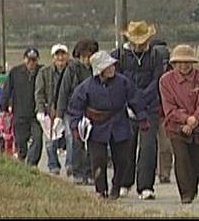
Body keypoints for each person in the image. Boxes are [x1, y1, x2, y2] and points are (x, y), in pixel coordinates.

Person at [68, 51, 149, 200]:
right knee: (98, 160)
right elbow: (75, 108)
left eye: (112, 65)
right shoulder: (85, 87)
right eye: (107, 66)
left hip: (120, 124)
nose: (111, 68)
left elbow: (135, 99)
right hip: (97, 127)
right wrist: (75, 127)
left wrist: (142, 118)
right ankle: (101, 190)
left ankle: (116, 186)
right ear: (99, 70)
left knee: (123, 160)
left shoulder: (123, 82)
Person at [111, 20, 165, 200]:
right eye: (136, 42)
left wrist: (141, 100)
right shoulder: (119, 56)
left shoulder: (156, 56)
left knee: (148, 146)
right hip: (124, 107)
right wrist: (130, 102)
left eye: (143, 42)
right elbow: (116, 81)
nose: (140, 45)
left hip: (149, 106)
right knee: (126, 147)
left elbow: (157, 80)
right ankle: (124, 182)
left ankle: (145, 186)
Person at [159, 44, 199, 204]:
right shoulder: (166, 80)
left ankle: (193, 187)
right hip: (176, 126)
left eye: (187, 62)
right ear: (174, 64)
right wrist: (185, 120)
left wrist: (195, 119)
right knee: (182, 159)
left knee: (198, 160)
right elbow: (169, 107)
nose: (184, 66)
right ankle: (185, 194)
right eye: (179, 62)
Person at [58, 39, 99, 185]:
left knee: (93, 142)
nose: (87, 60)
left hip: (93, 110)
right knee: (77, 141)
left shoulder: (98, 69)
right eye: (84, 56)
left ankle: (90, 172)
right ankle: (77, 172)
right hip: (74, 111)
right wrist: (59, 114)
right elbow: (63, 91)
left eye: (89, 56)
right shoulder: (72, 69)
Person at [0, 47, 44, 167]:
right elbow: (7, 90)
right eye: (29, 60)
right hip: (19, 112)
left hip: (36, 113)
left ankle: (32, 163)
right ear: (24, 59)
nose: (31, 63)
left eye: (34, 60)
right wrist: (3, 108)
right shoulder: (15, 72)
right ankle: (22, 157)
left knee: (37, 138)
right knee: (20, 140)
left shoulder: (42, 71)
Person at [35, 43, 74, 175]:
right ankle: (53, 165)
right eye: (57, 55)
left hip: (68, 109)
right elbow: (39, 93)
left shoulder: (73, 71)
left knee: (71, 136)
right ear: (53, 57)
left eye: (63, 54)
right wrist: (41, 110)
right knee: (50, 140)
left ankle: (70, 164)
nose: (60, 57)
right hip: (50, 110)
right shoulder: (44, 73)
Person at [150, 38, 174, 184]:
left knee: (166, 146)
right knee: (148, 146)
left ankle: (165, 173)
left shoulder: (173, 71)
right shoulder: (147, 68)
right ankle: (148, 171)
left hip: (167, 113)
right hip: (150, 111)